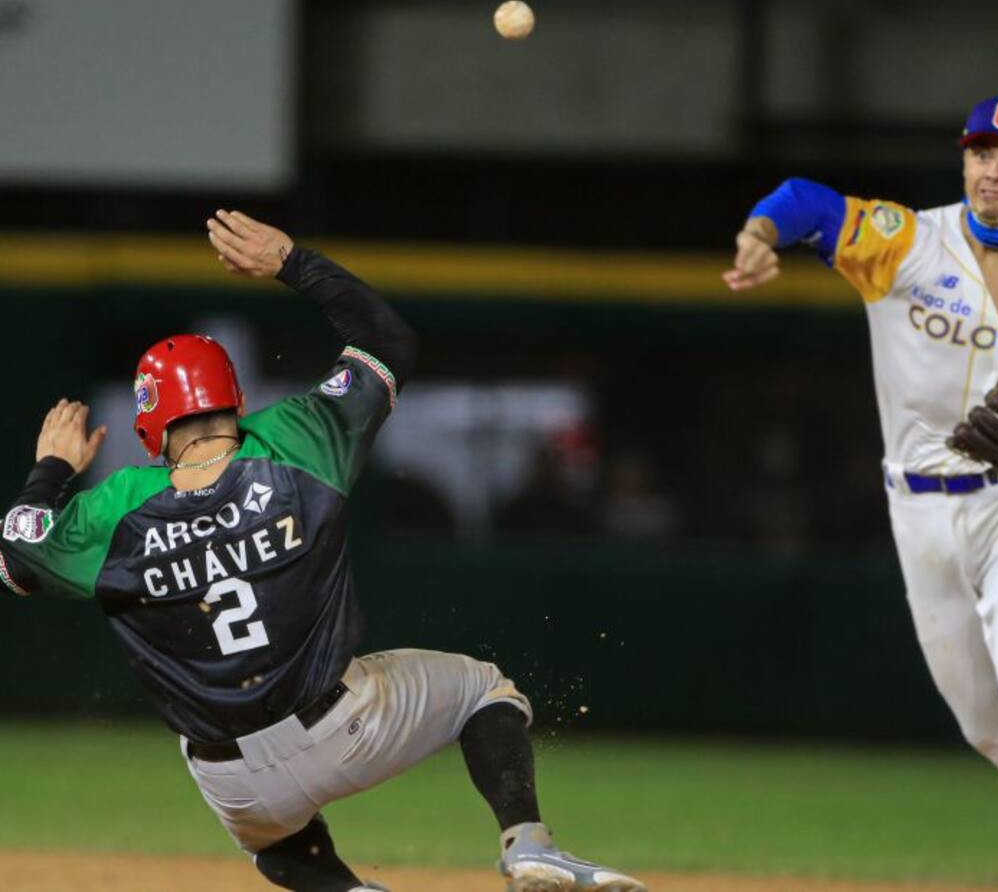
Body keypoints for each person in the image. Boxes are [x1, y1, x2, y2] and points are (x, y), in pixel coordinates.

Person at [0, 210, 646, 892]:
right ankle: (528, 846)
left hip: (232, 781)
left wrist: (51, 468)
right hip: (344, 728)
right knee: (483, 689)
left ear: (150, 429)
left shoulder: (115, 507)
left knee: (277, 845)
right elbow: (387, 339)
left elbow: (12, 560)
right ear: (235, 401)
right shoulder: (297, 438)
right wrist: (290, 261)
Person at [724, 96, 998, 892]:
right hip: (919, 511)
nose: (991, 169)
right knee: (987, 724)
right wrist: (759, 237)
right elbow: (802, 201)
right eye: (978, 152)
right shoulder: (907, 243)